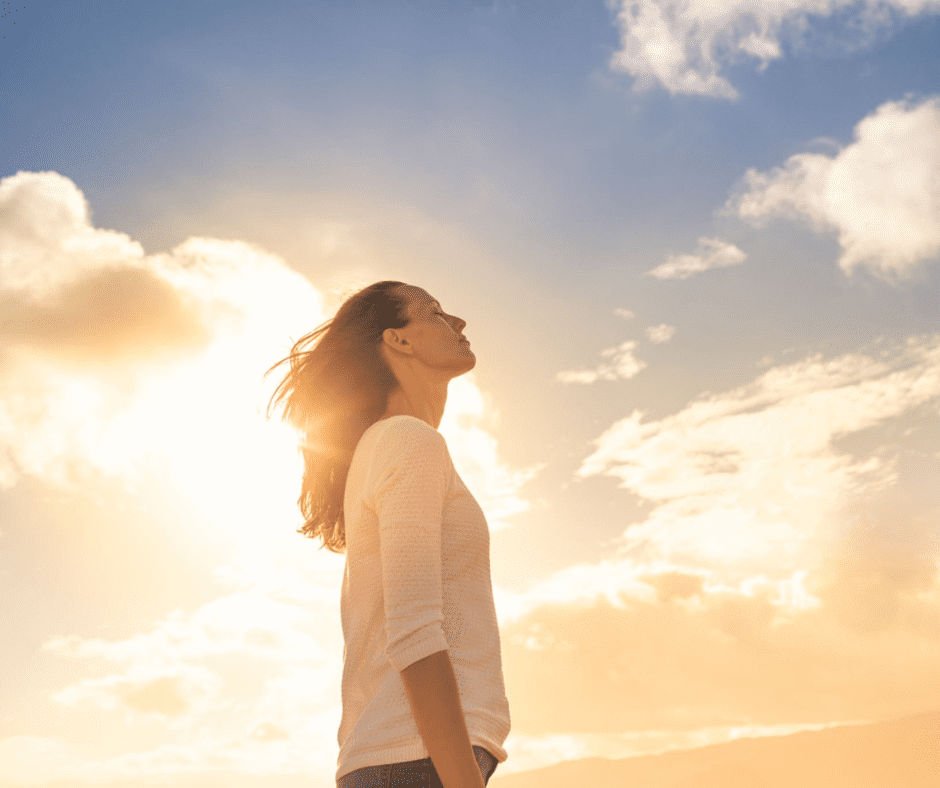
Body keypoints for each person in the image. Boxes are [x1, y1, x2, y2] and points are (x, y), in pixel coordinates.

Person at [265, 281, 510, 788]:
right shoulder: (406, 440)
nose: (459, 323)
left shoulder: (388, 446)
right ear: (398, 340)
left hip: (407, 762)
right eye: (436, 313)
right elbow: (415, 630)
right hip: (417, 764)